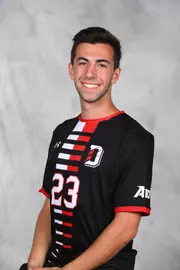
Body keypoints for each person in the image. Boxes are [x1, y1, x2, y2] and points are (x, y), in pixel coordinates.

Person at [19, 26, 154, 270]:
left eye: (102, 64)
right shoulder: (62, 131)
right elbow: (51, 204)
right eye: (83, 63)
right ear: (71, 70)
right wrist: (34, 264)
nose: (90, 73)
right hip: (54, 264)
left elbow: (126, 226)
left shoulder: (135, 137)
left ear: (115, 74)